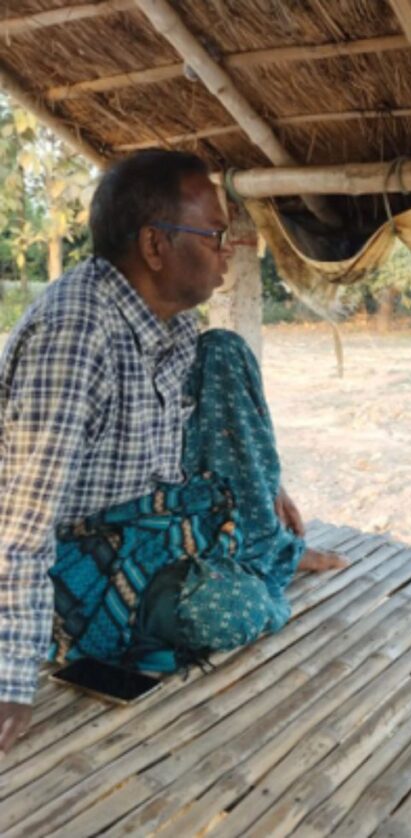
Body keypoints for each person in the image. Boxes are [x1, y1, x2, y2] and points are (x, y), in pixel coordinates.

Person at [0, 150, 345, 754]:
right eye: (213, 233)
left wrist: (267, 487)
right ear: (156, 246)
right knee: (236, 609)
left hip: (152, 520)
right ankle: (253, 564)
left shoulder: (176, 326)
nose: (229, 248)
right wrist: (10, 680)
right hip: (77, 556)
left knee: (226, 352)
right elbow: (20, 521)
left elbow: (205, 441)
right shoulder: (76, 334)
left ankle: (264, 544)